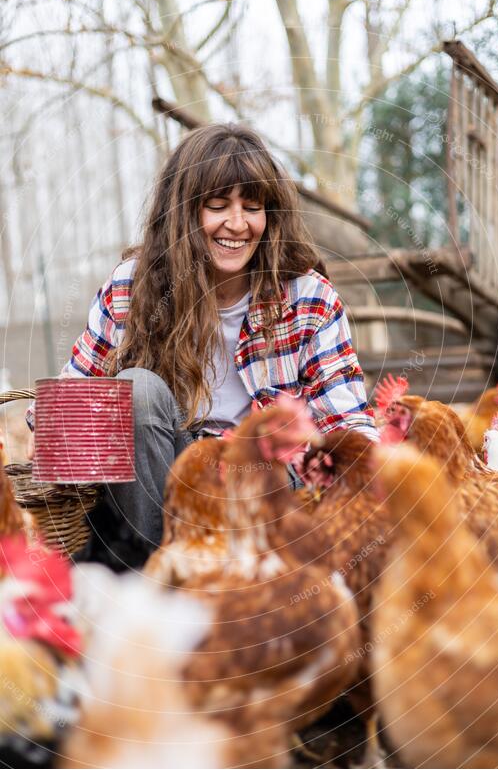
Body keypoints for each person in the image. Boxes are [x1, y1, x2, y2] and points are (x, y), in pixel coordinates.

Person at [27, 123, 377, 554]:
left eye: (252, 206)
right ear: (184, 212)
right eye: (217, 205)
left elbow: (347, 421)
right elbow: (71, 400)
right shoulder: (130, 289)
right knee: (137, 390)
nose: (237, 223)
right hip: (168, 476)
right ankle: (162, 576)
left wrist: (379, 476)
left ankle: (258, 575)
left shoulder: (308, 297)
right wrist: (49, 427)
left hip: (270, 481)